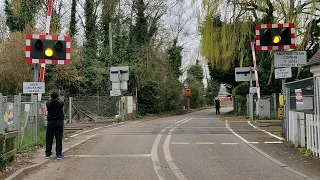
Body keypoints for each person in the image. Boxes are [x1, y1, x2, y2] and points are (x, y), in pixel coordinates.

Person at [45, 89, 65, 160]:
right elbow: (59, 102)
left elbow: (50, 102)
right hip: (59, 121)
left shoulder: (48, 103)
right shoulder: (61, 103)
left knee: (49, 138)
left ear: (50, 96)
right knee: (58, 138)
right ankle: (59, 154)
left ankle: (48, 153)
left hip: (50, 122)